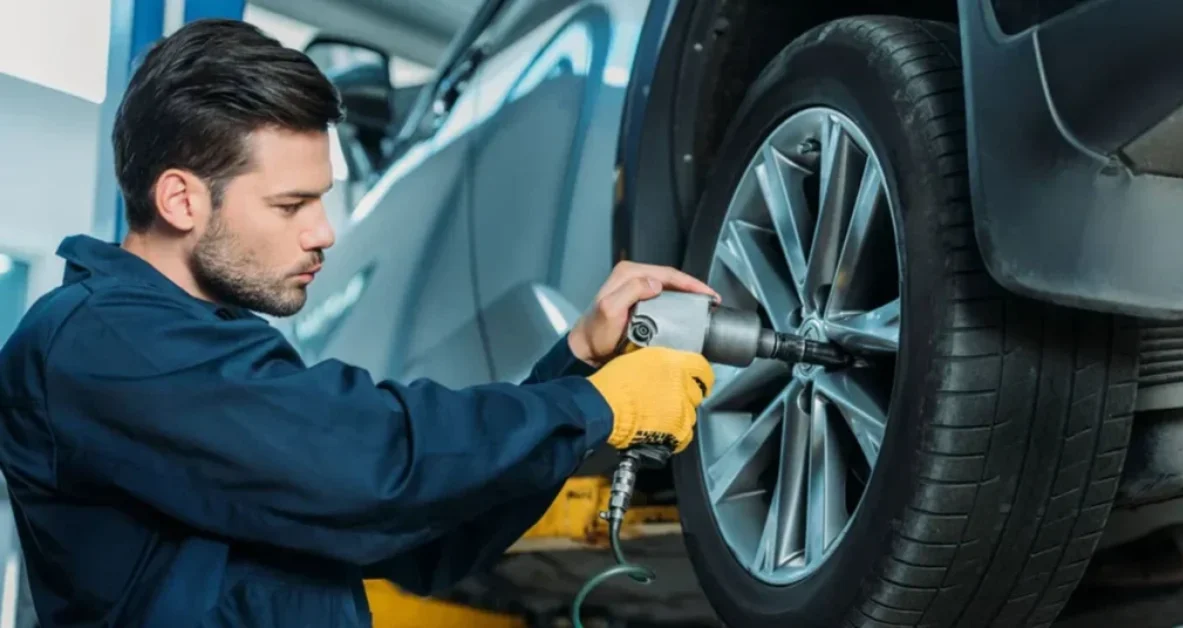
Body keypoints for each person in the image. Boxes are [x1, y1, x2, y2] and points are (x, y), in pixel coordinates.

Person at [0, 18, 717, 628]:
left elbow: (428, 540)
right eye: (291, 205)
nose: (324, 233)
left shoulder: (209, 358)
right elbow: (366, 463)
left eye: (323, 200)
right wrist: (590, 407)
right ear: (183, 201)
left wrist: (575, 362)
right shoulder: (102, 341)